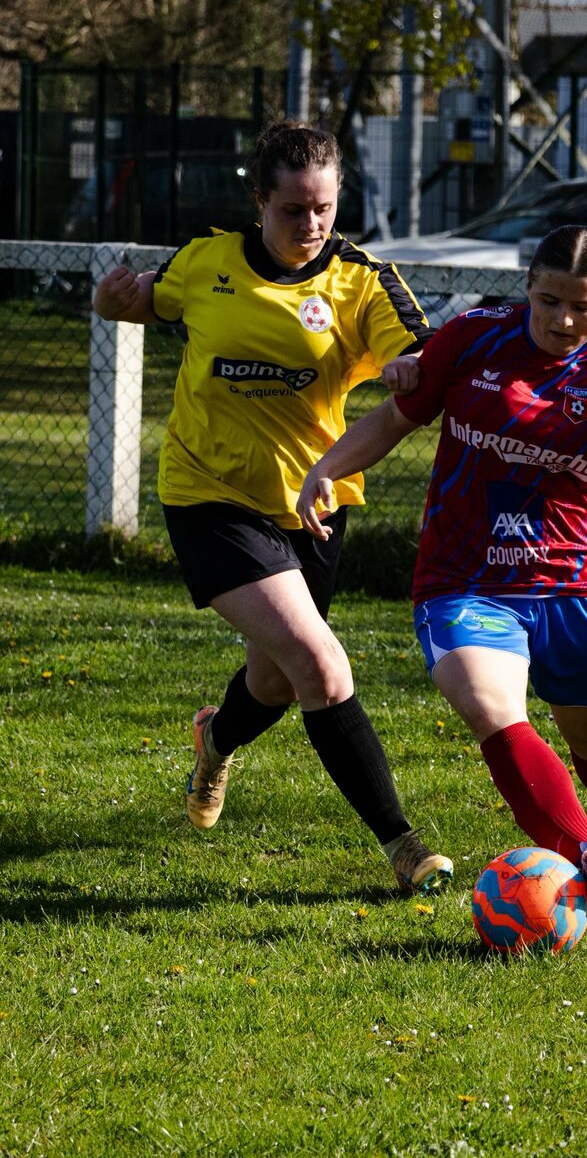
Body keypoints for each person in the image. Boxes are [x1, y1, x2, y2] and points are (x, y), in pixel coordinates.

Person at [92, 119, 453, 895]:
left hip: (311, 506)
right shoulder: (207, 262)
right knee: (320, 664)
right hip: (208, 496)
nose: (311, 224)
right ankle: (404, 847)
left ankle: (214, 740)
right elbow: (141, 301)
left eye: (325, 208)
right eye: (293, 210)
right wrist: (112, 300)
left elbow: (419, 349)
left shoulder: (361, 280)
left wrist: (410, 367)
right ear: (259, 201)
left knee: (278, 681)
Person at [297, 223, 587, 903]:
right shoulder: (474, 337)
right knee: (493, 708)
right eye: (549, 301)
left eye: (582, 306)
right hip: (463, 579)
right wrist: (327, 469)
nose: (563, 320)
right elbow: (395, 418)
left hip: (571, 583)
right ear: (527, 288)